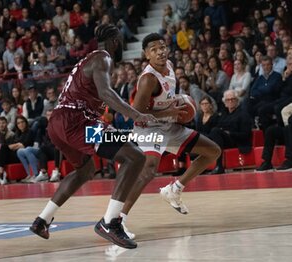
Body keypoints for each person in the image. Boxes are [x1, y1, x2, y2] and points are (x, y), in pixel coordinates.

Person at [29, 24, 156, 249]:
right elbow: (107, 93)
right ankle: (110, 222)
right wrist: (136, 115)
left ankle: (42, 220)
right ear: (115, 41)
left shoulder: (89, 59)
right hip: (78, 122)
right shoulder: (103, 58)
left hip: (58, 124)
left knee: (85, 171)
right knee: (134, 157)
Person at [119, 33, 221, 239]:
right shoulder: (148, 79)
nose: (161, 52)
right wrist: (169, 113)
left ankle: (175, 189)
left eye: (163, 47)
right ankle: (117, 220)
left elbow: (168, 97)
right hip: (148, 129)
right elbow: (134, 114)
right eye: (154, 49)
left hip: (169, 125)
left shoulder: (171, 67)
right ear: (147, 55)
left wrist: (180, 106)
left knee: (212, 152)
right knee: (148, 170)